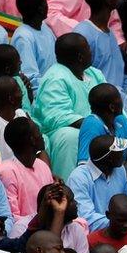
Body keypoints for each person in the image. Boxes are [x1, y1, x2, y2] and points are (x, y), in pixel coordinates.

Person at [32, 33, 106, 178]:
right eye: (88, 49)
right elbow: (58, 117)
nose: (91, 52)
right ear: (80, 57)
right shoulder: (56, 78)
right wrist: (96, 125)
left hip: (98, 128)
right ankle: (67, 189)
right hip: (60, 134)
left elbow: (111, 99)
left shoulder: (94, 73)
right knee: (69, 136)